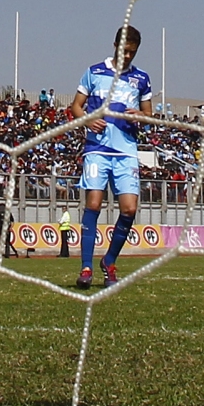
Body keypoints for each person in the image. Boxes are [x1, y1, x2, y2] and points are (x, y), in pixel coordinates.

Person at [70, 25, 152, 288]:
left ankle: (109, 260)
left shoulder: (141, 78)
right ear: (114, 45)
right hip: (97, 149)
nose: (127, 56)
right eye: (124, 50)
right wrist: (88, 120)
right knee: (93, 204)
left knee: (129, 208)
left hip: (126, 151)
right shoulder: (94, 71)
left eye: (132, 52)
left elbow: (149, 117)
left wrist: (141, 116)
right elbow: (75, 107)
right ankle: (85, 267)